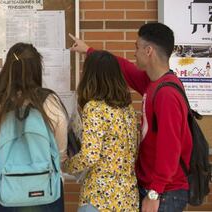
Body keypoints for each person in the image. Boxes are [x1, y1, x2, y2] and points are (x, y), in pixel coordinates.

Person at [70, 23, 192, 212]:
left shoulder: (166, 94)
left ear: (149, 50)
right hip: (149, 188)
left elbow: (171, 147)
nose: (134, 53)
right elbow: (121, 68)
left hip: (165, 192)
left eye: (137, 47)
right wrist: (89, 51)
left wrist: (154, 192)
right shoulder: (152, 83)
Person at [0, 43, 67, 212]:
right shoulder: (49, 101)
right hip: (46, 190)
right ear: (37, 68)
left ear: (8, 68)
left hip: (6, 192)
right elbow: (60, 152)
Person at [64, 50, 139, 211]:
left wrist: (66, 165)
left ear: (90, 75)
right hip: (128, 198)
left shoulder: (94, 108)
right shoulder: (129, 110)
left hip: (100, 197)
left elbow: (89, 156)